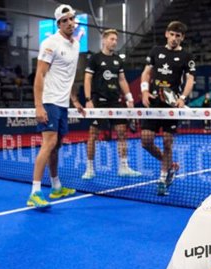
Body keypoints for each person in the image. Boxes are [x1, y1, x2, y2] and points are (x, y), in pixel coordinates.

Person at [27, 4, 84, 209]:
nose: (70, 23)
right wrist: (38, 106)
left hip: (63, 104)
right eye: (64, 20)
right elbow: (40, 75)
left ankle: (56, 186)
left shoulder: (76, 45)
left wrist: (75, 101)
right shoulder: (50, 43)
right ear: (58, 23)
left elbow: (67, 77)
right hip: (49, 101)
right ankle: (35, 192)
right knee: (49, 144)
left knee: (57, 146)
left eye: (71, 19)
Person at [140, 21, 196, 196]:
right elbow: (146, 73)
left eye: (178, 36)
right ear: (166, 34)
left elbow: (190, 79)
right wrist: (144, 91)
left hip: (172, 106)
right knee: (146, 141)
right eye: (172, 34)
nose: (174, 38)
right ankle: (170, 165)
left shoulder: (187, 57)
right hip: (155, 103)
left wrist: (182, 98)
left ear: (182, 38)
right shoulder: (156, 51)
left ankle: (162, 179)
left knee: (167, 142)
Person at [81, 29, 141, 180]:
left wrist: (129, 98)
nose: (114, 42)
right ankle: (89, 168)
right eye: (112, 39)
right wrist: (88, 100)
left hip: (115, 102)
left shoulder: (118, 60)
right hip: (98, 101)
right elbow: (87, 79)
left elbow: (122, 80)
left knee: (122, 133)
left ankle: (123, 167)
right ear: (104, 40)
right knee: (93, 135)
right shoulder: (94, 59)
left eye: (116, 40)